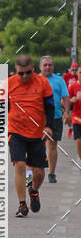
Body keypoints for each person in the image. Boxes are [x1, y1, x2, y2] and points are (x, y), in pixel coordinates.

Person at [4, 55, 53, 218]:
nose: (24, 76)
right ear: (16, 71)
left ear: (33, 68)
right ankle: (22, 204)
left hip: (37, 133)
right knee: (20, 165)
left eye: (27, 72)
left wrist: (48, 127)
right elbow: (2, 109)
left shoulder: (43, 83)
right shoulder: (9, 84)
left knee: (39, 172)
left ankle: (33, 190)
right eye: (20, 73)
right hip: (16, 130)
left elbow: (50, 107)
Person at [39, 55, 70, 183]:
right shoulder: (34, 79)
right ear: (40, 67)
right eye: (45, 65)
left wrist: (67, 112)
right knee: (32, 146)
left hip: (55, 117)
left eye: (50, 65)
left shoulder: (59, 80)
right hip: (37, 118)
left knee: (52, 145)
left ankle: (51, 173)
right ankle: (30, 175)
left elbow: (66, 97)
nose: (47, 67)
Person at [67, 65, 81, 164]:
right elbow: (67, 101)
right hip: (77, 117)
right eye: (80, 72)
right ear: (77, 74)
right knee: (79, 140)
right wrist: (72, 100)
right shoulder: (73, 86)